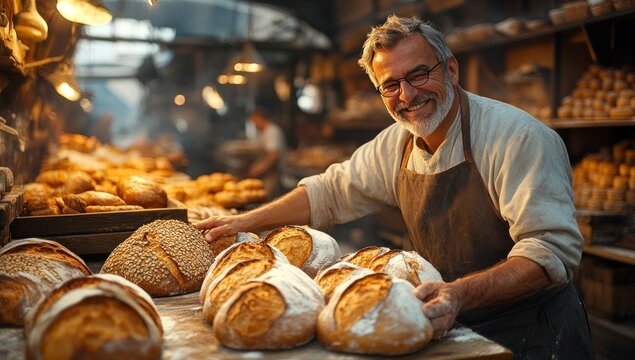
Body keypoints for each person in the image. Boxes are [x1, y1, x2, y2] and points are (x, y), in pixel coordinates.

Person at [196, 15, 594, 359]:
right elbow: (329, 192)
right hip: (449, 324)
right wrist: (242, 221)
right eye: (390, 85)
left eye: (419, 74)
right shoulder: (398, 142)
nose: (407, 95)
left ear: (450, 70)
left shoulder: (516, 138)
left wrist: (458, 294)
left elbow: (549, 252)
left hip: (535, 333)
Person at [246, 107, 287, 197]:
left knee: (267, 198)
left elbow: (274, 155)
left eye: (254, 120)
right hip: (268, 173)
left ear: (260, 118)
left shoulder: (272, 131)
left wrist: (259, 169)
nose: (254, 124)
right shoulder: (264, 132)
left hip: (274, 174)